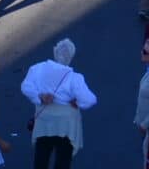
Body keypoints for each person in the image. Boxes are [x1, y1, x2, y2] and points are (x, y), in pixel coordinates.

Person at [18, 40, 96, 169]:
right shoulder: (74, 78)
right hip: (66, 126)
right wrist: (77, 101)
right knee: (63, 161)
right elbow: (90, 100)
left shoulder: (38, 68)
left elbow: (25, 86)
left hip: (44, 121)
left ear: (55, 52)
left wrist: (39, 96)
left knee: (41, 158)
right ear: (71, 56)